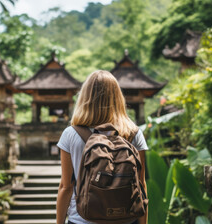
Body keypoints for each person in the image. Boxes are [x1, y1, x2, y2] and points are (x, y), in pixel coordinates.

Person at [56, 70, 148, 224]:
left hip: (82, 219)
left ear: (85, 98)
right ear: (118, 97)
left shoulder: (71, 134)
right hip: (126, 219)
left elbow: (66, 187)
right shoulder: (134, 133)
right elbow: (141, 184)